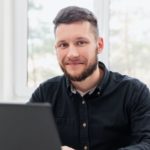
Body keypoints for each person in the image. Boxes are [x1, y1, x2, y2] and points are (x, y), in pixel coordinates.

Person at [29, 6, 150, 150]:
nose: (72, 54)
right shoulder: (45, 94)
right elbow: (22, 139)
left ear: (99, 45)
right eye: (63, 45)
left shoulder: (134, 92)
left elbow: (147, 143)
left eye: (81, 43)